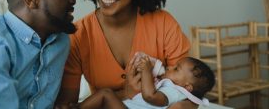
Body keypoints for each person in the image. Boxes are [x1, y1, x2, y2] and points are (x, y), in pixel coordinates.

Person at [56, 0, 194, 108]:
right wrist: (126, 94)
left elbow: (189, 92)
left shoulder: (164, 24)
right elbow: (68, 105)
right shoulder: (78, 35)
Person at [73, 56, 215, 109]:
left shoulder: (176, 92)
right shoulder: (169, 86)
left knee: (106, 94)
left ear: (187, 87)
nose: (170, 67)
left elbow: (150, 96)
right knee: (104, 97)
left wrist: (146, 70)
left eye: (176, 69)